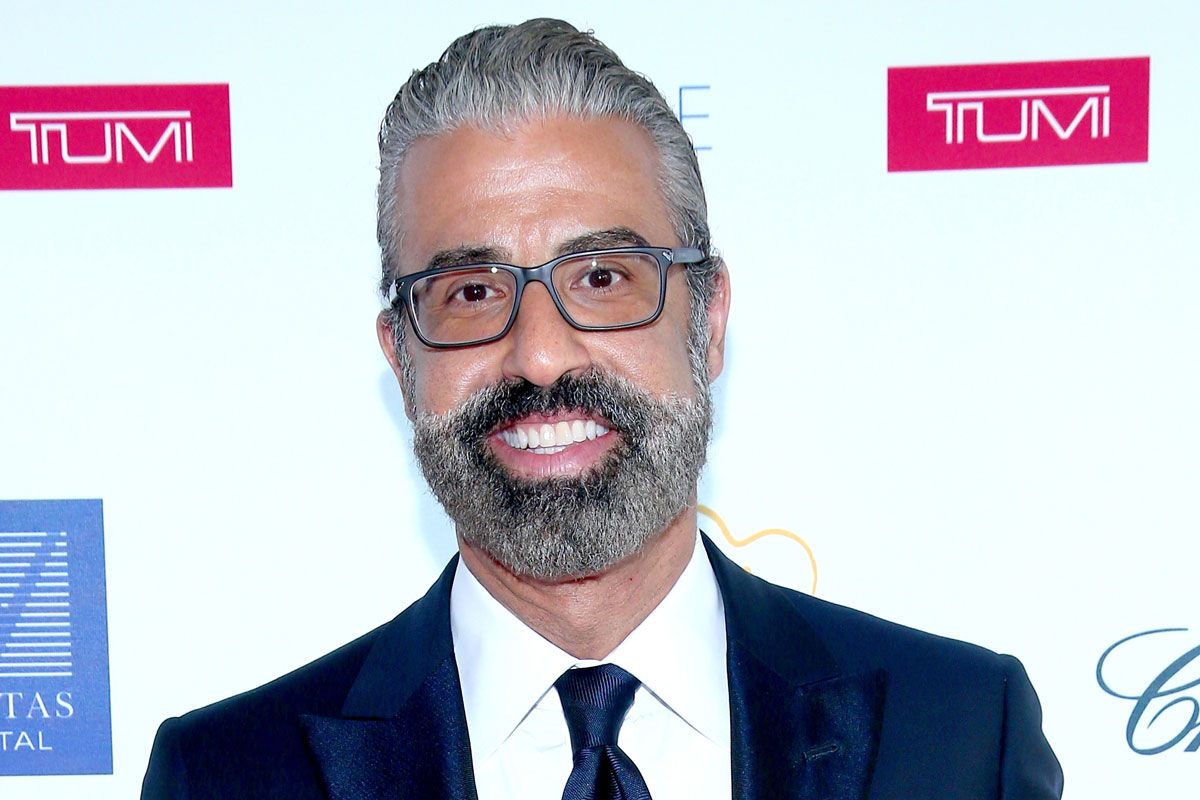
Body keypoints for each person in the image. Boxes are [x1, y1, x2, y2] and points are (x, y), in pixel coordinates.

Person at [142, 18, 1063, 800]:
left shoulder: (957, 735)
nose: (541, 354)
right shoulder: (225, 775)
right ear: (401, 356)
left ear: (707, 322)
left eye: (602, 277)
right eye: (472, 292)